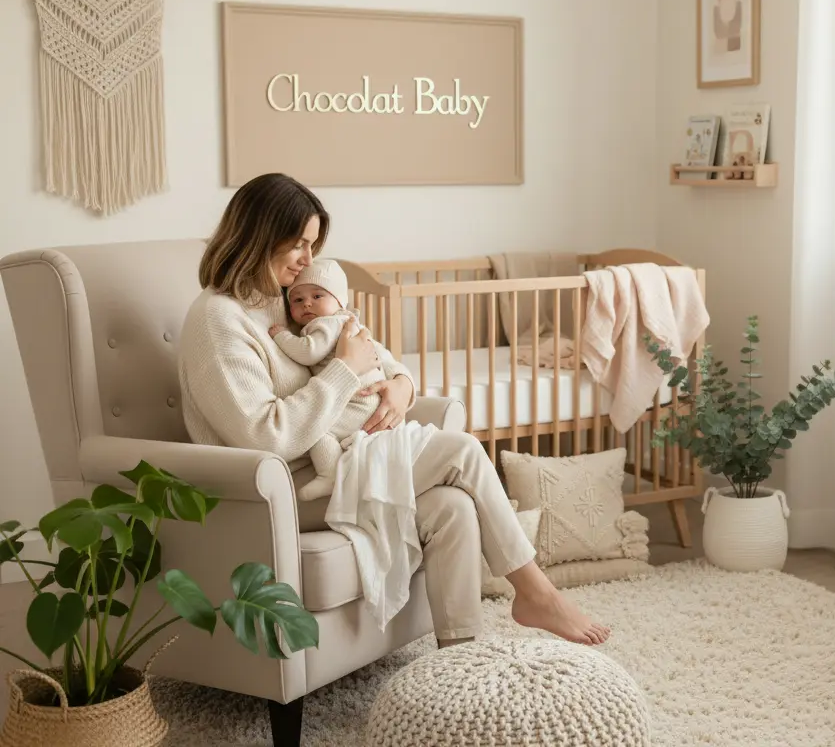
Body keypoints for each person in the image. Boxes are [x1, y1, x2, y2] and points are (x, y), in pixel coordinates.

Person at [176, 172, 609, 647]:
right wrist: (343, 370)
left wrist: (401, 385)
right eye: (298, 244)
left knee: (452, 506)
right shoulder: (216, 320)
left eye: (312, 246)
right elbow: (264, 437)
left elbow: (371, 352)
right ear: (259, 236)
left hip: (345, 461)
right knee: (462, 453)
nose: (307, 261)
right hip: (286, 489)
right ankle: (535, 592)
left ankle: (458, 658)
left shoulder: (284, 301)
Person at [267, 258, 383, 502]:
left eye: (317, 296)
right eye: (297, 299)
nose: (307, 303)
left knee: (316, 428)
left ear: (340, 301)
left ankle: (330, 474)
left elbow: (307, 351)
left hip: (358, 401)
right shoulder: (344, 322)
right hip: (365, 399)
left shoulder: (327, 324)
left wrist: (281, 336)